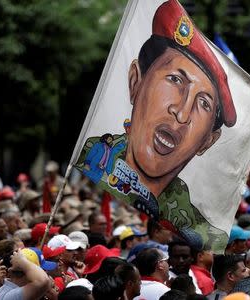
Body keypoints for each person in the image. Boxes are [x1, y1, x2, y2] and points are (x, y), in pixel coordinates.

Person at [75, 0, 237, 251]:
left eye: (203, 103)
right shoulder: (93, 156)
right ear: (135, 81)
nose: (182, 114)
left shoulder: (197, 229)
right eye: (175, 80)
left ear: (207, 141)